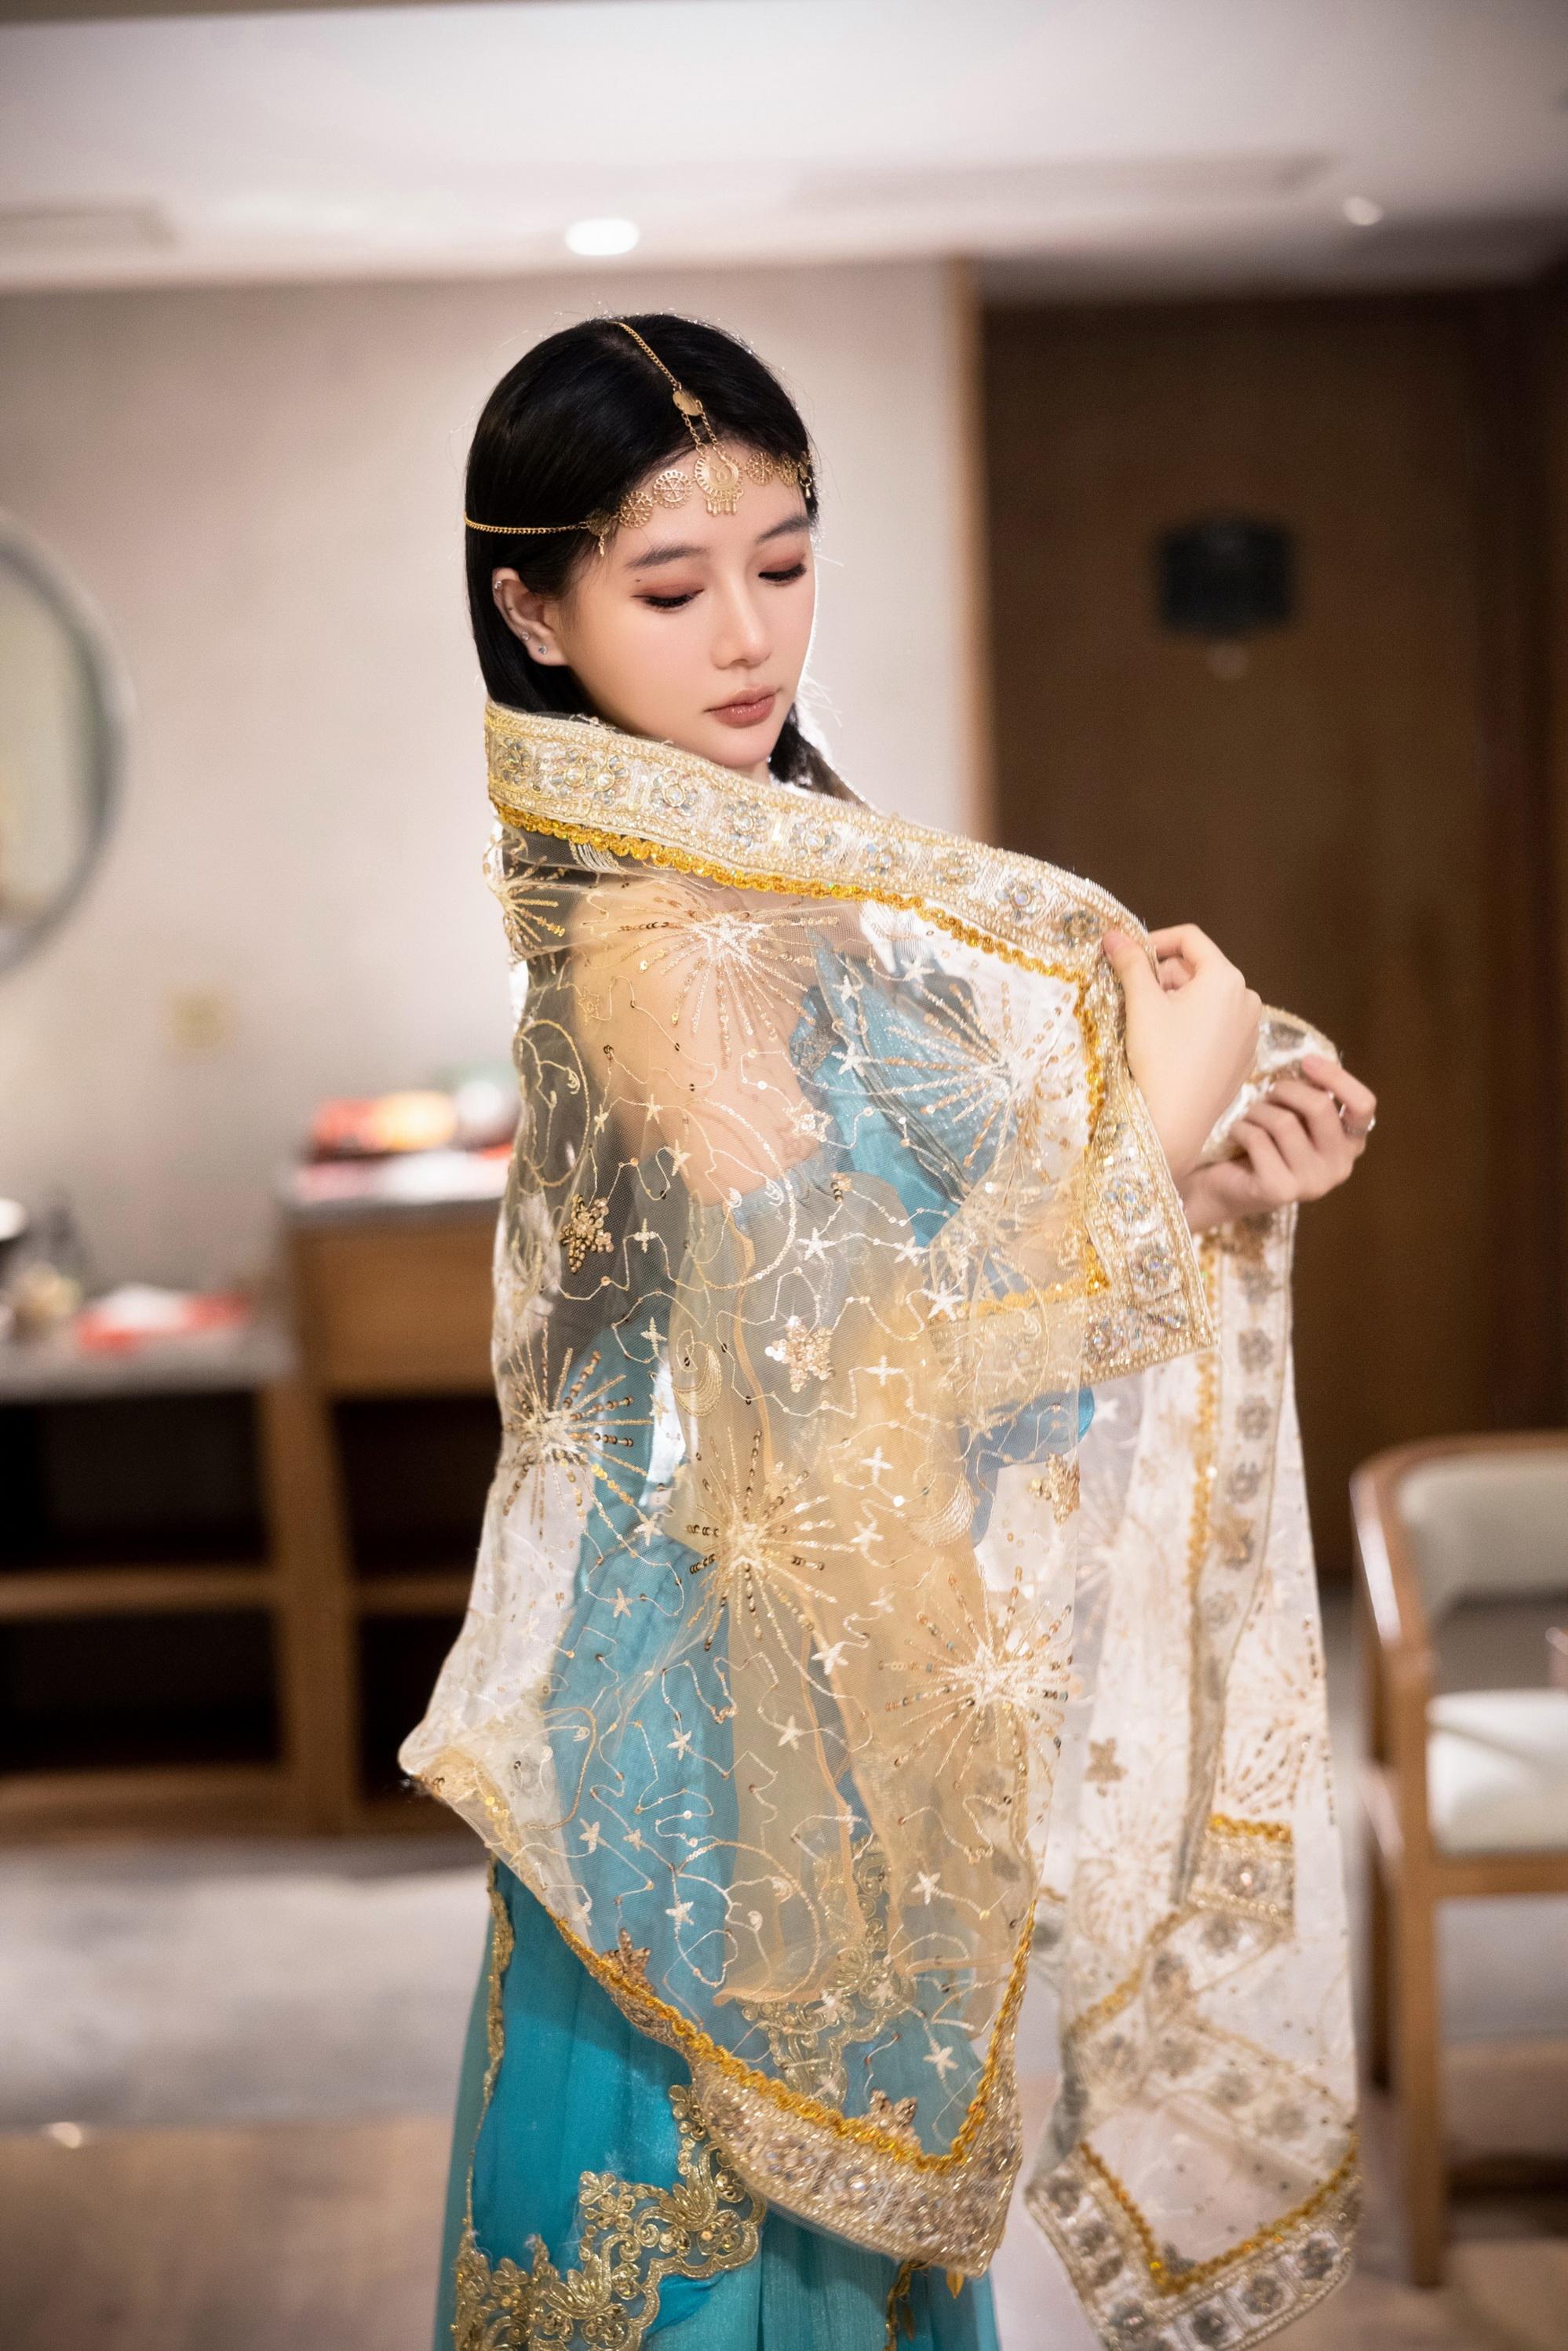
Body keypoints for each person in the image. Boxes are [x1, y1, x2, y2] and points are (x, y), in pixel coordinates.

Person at [402, 315, 1373, 2351]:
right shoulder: (656, 940)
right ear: (535, 612)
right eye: (672, 586)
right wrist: (1155, 1122)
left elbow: (943, 1291)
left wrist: (1199, 1189)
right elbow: (850, 1352)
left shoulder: (786, 884)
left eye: (784, 560)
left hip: (845, 1658)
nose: (751, 634)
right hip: (712, 1723)